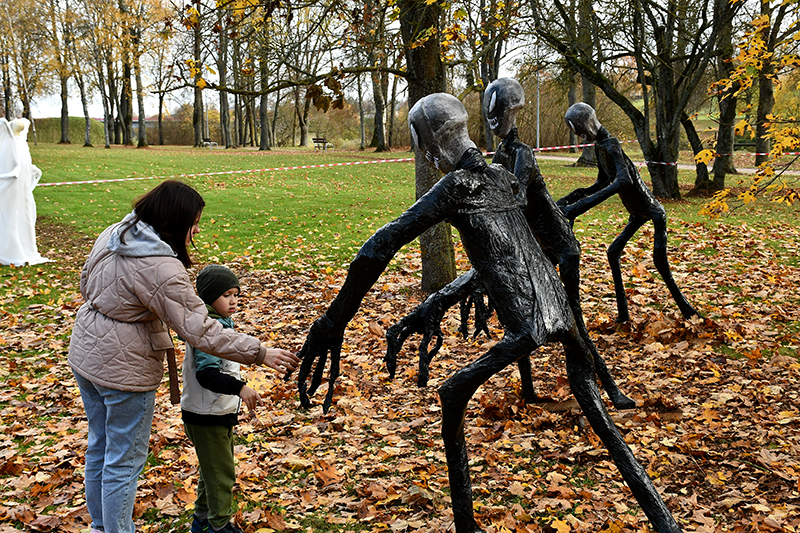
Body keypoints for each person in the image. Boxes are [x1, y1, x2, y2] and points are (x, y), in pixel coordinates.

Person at [296, 93, 682, 533]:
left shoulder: (456, 187)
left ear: (429, 144)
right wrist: (438, 300)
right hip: (562, 313)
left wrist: (332, 323)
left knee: (452, 394)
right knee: (600, 416)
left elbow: (378, 247)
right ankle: (663, 520)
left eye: (421, 143)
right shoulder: (504, 176)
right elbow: (510, 252)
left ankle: (466, 526)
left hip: (528, 326)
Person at [385, 78, 634, 410]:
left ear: (512, 110)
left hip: (560, 246)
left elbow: (514, 197)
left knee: (574, 324)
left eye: (499, 111)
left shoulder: (522, 153)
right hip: (534, 242)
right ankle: (528, 390)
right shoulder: (502, 153)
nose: (494, 120)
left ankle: (610, 391)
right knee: (517, 319)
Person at [68, 180, 300, 533]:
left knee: (100, 446)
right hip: (123, 370)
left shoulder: (115, 233)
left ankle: (101, 527)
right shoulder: (161, 267)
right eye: (194, 222)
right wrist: (260, 352)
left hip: (86, 352)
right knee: (123, 460)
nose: (196, 230)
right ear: (175, 220)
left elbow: (86, 283)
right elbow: (201, 330)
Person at [558, 102, 700, 322]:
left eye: (582, 131)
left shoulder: (612, 144)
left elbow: (624, 180)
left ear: (589, 124)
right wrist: (572, 198)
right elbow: (603, 182)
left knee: (660, 262)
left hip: (652, 212)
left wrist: (580, 207)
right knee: (613, 252)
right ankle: (623, 315)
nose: (582, 137)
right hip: (636, 212)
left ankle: (687, 310)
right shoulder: (601, 147)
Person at [182, 265, 262, 533]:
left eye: (236, 294)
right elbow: (207, 374)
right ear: (208, 298)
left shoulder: (219, 325)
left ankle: (202, 520)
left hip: (214, 412)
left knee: (212, 471)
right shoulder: (209, 330)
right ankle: (219, 526)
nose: (233, 300)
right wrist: (240, 388)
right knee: (222, 474)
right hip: (206, 415)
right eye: (226, 295)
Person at [0, 117, 50, 266]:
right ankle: (10, 247)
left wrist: (33, 170)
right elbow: (14, 164)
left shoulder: (21, 142)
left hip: (23, 189)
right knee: (10, 214)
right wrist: (13, 174)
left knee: (24, 214)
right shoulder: (10, 143)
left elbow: (25, 164)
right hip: (14, 186)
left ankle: (24, 245)